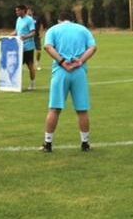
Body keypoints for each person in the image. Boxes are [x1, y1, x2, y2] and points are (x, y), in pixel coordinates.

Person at [41, 9, 97, 153]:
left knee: (54, 108)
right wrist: (81, 61)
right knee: (82, 109)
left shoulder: (53, 30)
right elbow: (93, 47)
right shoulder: (83, 29)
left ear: (59, 19)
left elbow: (47, 46)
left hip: (60, 72)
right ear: (72, 19)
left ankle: (48, 143)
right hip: (79, 72)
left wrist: (62, 61)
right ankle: (85, 143)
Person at [12, 5, 37, 90]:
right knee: (18, 66)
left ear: (23, 10)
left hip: (28, 47)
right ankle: (19, 84)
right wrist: (6, 36)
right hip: (19, 47)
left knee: (30, 66)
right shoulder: (18, 19)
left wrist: (25, 37)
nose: (16, 12)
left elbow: (33, 32)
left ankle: (32, 83)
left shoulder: (29, 20)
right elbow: (16, 31)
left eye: (18, 10)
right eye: (16, 11)